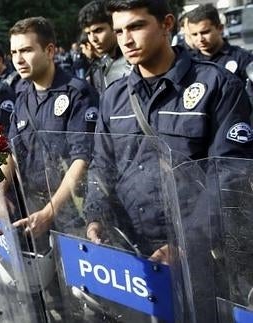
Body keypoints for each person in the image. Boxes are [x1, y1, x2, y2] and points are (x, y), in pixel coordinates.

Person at [84, 0, 253, 259]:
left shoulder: (217, 86)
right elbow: (102, 164)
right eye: (118, 31)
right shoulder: (113, 97)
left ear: (167, 24)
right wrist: (96, 215)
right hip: (133, 250)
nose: (126, 40)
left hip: (200, 252)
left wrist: (188, 242)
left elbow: (228, 173)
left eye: (136, 26)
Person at [8, 16, 99, 237]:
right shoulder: (22, 96)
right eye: (14, 52)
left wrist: (50, 211)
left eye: (26, 50)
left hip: (72, 216)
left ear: (49, 51)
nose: (18, 59)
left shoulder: (78, 93)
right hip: (32, 210)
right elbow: (9, 152)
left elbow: (82, 159)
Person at [186, 4, 253, 86]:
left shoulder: (242, 58)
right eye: (194, 34)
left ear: (220, 28)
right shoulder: (188, 62)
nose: (200, 39)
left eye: (205, 32)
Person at [78, 0, 131, 94]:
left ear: (113, 25)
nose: (93, 39)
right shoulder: (97, 69)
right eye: (88, 33)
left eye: (98, 30)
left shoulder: (135, 61)